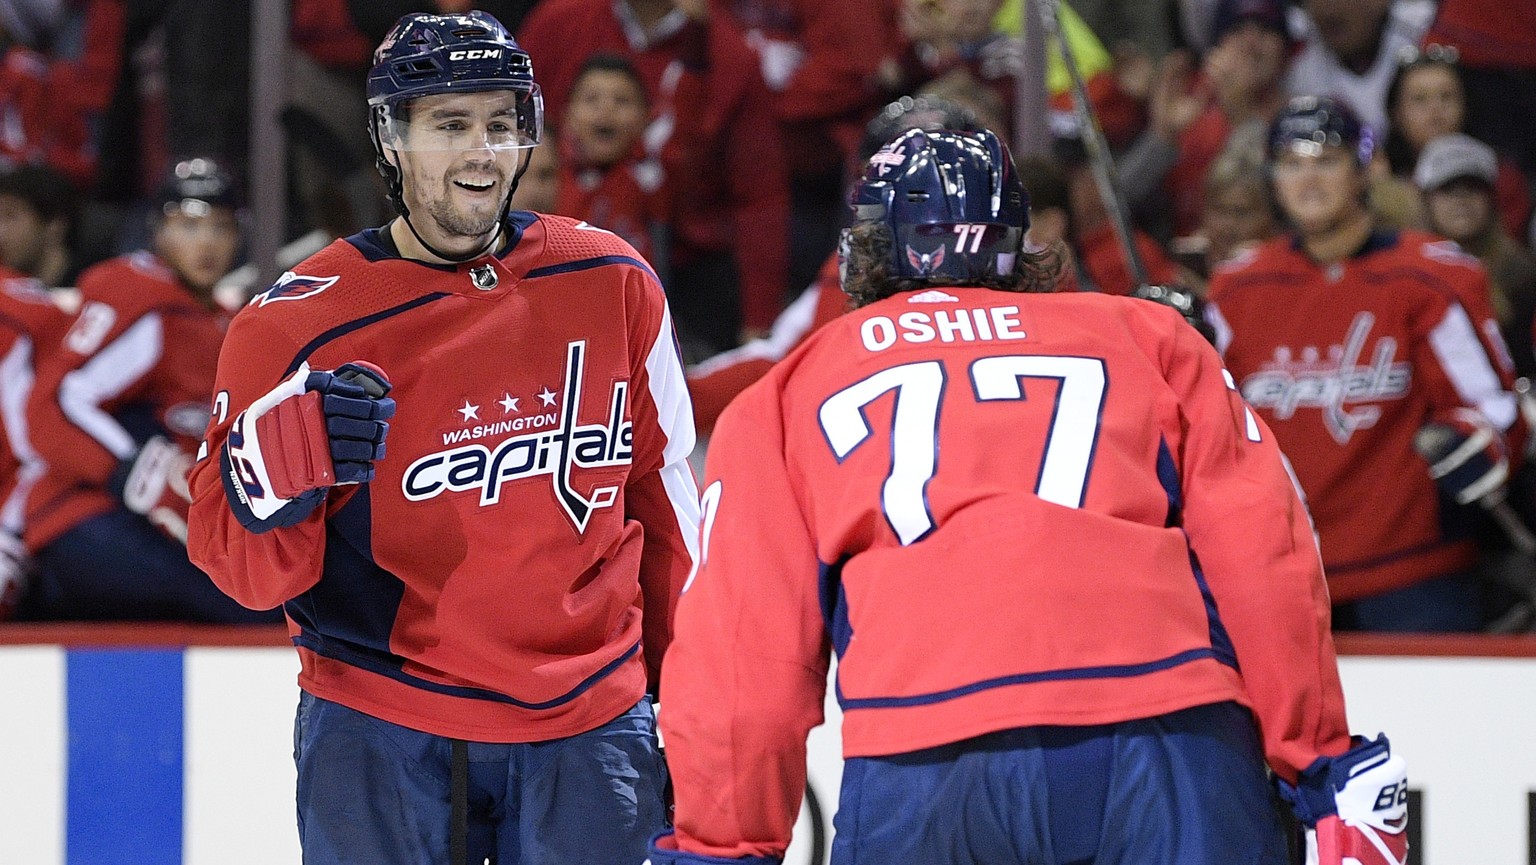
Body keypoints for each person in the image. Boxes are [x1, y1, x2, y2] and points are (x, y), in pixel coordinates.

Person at [649, 127, 1408, 865]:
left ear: (869, 245)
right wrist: (1320, 760)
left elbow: (742, 660)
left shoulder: (781, 396)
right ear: (1022, 235)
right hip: (1170, 734)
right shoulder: (1150, 336)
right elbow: (1264, 556)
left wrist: (723, 843)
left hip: (927, 753)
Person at [186, 12, 698, 865]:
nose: (482, 152)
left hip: (593, 727)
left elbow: (667, 508)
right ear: (392, 139)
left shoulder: (613, 280)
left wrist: (691, 702)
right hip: (383, 727)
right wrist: (277, 474)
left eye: (501, 124)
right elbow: (237, 569)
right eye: (451, 125)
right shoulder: (292, 325)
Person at [1208, 97, 1521, 632]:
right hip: (1280, 573)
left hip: (1413, 576)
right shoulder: (1235, 289)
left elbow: (1493, 407)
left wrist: (1477, 438)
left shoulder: (1432, 277)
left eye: (1326, 161)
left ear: (1365, 169)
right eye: (1291, 163)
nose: (1308, 180)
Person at [13, 156, 271, 623]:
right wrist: (139, 470)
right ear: (158, 230)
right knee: (246, 602)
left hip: (147, 524)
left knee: (260, 590)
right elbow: (55, 404)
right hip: (82, 515)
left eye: (221, 227)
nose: (207, 243)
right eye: (190, 226)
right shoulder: (141, 294)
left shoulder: (224, 321)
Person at [1416, 133, 1536, 379]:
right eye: (1448, 188)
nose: (1462, 200)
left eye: (1473, 187)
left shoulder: (1523, 275)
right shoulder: (1403, 275)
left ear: (1492, 200)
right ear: (1426, 200)